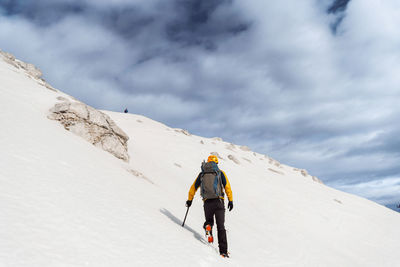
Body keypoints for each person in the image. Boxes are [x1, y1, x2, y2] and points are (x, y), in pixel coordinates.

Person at [186, 155, 233, 258]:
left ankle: (208, 226)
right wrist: (230, 200)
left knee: (209, 220)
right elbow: (227, 187)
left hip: (207, 202)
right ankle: (223, 252)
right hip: (219, 201)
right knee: (221, 227)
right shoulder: (220, 173)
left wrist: (189, 200)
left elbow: (193, 188)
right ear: (216, 163)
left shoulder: (202, 174)